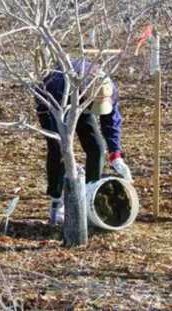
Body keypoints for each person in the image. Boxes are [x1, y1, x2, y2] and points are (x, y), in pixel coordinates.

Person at [35, 58, 132, 224]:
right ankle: (57, 200)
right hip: (54, 104)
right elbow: (61, 133)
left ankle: (90, 195)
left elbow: (111, 120)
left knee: (97, 148)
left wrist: (115, 155)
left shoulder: (108, 89)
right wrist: (69, 162)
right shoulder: (58, 84)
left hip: (83, 102)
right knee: (59, 149)